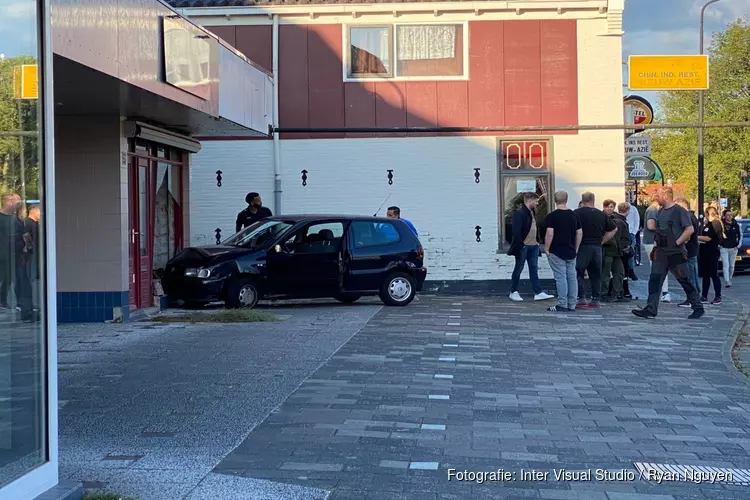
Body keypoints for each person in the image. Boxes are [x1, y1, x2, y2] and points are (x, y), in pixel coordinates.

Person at [632, 186, 703, 320]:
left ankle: (698, 307)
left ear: (665, 196)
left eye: (658, 195)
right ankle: (651, 309)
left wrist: (677, 242)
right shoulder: (660, 211)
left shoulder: (679, 211)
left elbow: (689, 229)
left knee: (685, 280)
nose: (655, 198)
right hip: (661, 252)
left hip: (675, 253)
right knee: (655, 280)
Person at [507, 192, 554, 302]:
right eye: (536, 201)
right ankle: (513, 291)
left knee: (533, 269)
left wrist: (537, 242)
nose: (537, 203)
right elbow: (516, 231)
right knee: (519, 268)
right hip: (524, 246)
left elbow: (534, 228)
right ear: (530, 200)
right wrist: (521, 245)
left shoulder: (532, 213)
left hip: (533, 246)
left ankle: (537, 292)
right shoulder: (519, 213)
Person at [573, 192, 617, 309]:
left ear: (582, 201)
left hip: (582, 247)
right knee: (596, 274)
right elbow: (613, 229)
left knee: (579, 272)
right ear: (593, 200)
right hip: (597, 248)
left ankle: (581, 298)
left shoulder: (576, 213)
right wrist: (602, 240)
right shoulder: (601, 215)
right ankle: (595, 300)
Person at [543, 191, 582, 312]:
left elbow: (550, 233)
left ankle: (562, 304)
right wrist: (576, 248)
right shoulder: (574, 215)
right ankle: (572, 304)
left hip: (556, 251)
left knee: (560, 277)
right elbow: (579, 233)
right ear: (566, 199)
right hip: (570, 251)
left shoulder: (552, 216)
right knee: (572, 277)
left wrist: (547, 248)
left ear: (555, 200)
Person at [642, 195, 671, 303]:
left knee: (658, 267)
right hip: (652, 242)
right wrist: (664, 229)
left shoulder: (652, 210)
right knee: (659, 267)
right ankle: (663, 292)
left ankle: (661, 292)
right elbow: (650, 225)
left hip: (652, 241)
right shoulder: (652, 210)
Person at [675, 198, 700, 307]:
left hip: (688, 250)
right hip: (692, 249)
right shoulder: (692, 216)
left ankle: (692, 299)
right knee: (693, 274)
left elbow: (688, 235)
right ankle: (696, 296)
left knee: (689, 276)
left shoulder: (687, 217)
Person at [601, 200, 627, 302]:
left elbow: (623, 236)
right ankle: (603, 293)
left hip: (616, 251)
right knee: (605, 274)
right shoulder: (601, 218)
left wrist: (623, 245)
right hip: (606, 250)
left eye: (611, 207)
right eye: (607, 207)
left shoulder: (616, 220)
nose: (609, 209)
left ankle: (616, 293)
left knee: (619, 272)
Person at [698, 206, 723, 305]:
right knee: (706, 275)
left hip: (712, 252)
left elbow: (708, 238)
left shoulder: (715, 224)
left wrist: (696, 237)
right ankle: (704, 296)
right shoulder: (708, 224)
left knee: (713, 274)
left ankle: (718, 296)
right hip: (705, 252)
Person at [25, 204, 41, 312]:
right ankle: (33, 303)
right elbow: (26, 236)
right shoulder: (29, 223)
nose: (41, 214)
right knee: (32, 277)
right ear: (34, 211)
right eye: (39, 211)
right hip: (32, 254)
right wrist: (31, 248)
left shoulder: (34, 223)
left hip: (35, 253)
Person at [719, 209, 741, 288]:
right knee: (726, 264)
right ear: (724, 216)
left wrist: (737, 246)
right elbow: (718, 235)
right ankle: (727, 281)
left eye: (731, 215)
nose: (729, 216)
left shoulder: (736, 225)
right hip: (724, 248)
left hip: (733, 248)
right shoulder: (721, 225)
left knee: (732, 265)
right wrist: (719, 244)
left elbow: (739, 235)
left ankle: (730, 278)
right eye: (727, 215)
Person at [626, 201, 641, 277]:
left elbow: (636, 221)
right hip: (623, 232)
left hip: (631, 232)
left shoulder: (633, 209)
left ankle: (631, 270)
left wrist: (633, 233)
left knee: (631, 252)